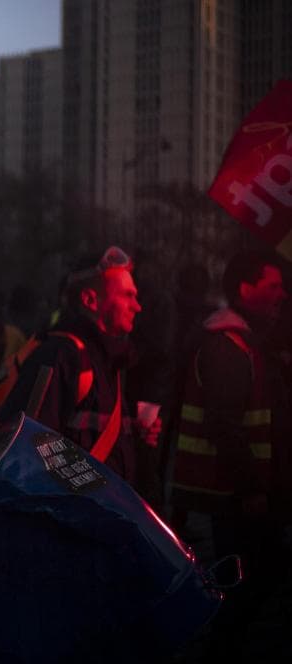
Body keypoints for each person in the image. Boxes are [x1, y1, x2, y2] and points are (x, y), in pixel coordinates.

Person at [170, 250, 289, 660]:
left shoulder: (248, 343)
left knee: (255, 582)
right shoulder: (226, 346)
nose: (281, 294)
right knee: (246, 585)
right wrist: (253, 488)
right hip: (230, 497)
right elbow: (228, 426)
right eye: (272, 286)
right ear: (244, 288)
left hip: (239, 494)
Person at [0, 246, 160, 485]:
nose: (138, 306)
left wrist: (130, 433)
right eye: (127, 296)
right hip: (71, 517)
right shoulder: (61, 355)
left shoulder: (109, 361)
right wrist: (90, 493)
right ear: (90, 300)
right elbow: (29, 449)